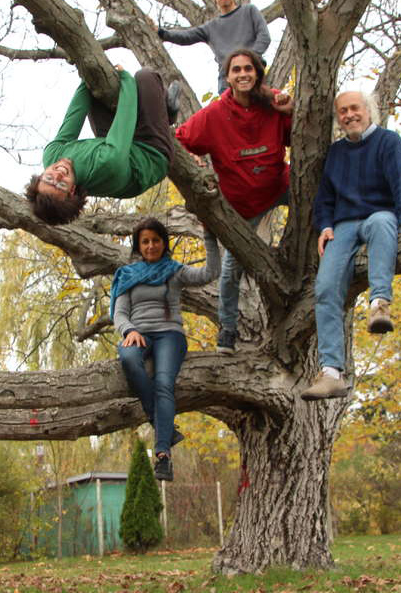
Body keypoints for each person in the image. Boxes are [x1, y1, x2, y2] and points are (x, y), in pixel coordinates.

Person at [301, 91, 401, 401]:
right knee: (326, 286)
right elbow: (325, 197)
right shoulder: (336, 153)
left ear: (369, 110)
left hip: (377, 216)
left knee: (384, 223)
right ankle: (331, 372)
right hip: (343, 225)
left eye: (354, 108)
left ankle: (379, 304)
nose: (348, 115)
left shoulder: (388, 141)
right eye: (342, 111)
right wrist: (325, 225)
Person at [175, 49, 293, 354]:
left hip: (279, 185)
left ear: (257, 73)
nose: (243, 74)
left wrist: (292, 109)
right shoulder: (214, 115)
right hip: (242, 207)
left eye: (248, 69)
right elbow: (178, 140)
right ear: (227, 77)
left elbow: (304, 131)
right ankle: (228, 331)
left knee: (318, 196)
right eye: (236, 69)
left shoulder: (274, 101)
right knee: (230, 271)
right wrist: (191, 160)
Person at [112, 218, 220, 481]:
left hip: (169, 335)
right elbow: (120, 313)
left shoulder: (174, 271)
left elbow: (209, 273)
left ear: (164, 243)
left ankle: (163, 454)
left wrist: (209, 237)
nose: (151, 246)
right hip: (138, 335)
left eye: (155, 241)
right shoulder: (128, 275)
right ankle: (166, 428)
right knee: (128, 360)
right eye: (145, 241)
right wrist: (129, 330)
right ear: (139, 245)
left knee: (163, 383)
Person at [25, 67, 180, 224]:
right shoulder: (106, 165)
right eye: (60, 184)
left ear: (40, 178)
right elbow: (125, 118)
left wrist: (89, 75)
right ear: (72, 190)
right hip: (150, 151)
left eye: (49, 178)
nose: (57, 175)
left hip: (112, 144)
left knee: (96, 92)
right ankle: (167, 112)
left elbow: (74, 114)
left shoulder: (51, 156)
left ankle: (155, 108)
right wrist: (125, 77)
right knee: (145, 77)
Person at [157, 0, 271, 93]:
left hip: (252, 73)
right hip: (226, 80)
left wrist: (249, 59)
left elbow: (264, 37)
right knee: (228, 111)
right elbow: (186, 36)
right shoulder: (211, 27)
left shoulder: (249, 11)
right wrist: (162, 33)